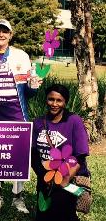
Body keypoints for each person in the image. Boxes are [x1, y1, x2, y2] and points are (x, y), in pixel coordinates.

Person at [0, 19, 42, 213]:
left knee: (19, 156)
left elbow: (29, 93)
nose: (1, 34)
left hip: (16, 113)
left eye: (5, 31)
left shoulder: (21, 55)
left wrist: (34, 86)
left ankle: (18, 196)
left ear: (10, 35)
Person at [31, 84, 90, 221]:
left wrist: (64, 180)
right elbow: (34, 154)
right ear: (46, 99)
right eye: (51, 99)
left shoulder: (73, 121)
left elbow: (80, 156)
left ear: (65, 102)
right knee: (43, 214)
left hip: (68, 179)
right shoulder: (39, 123)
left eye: (59, 100)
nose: (54, 104)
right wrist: (44, 176)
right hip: (45, 179)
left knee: (65, 214)